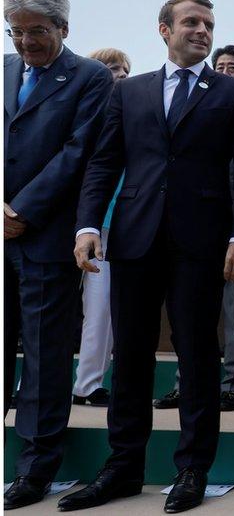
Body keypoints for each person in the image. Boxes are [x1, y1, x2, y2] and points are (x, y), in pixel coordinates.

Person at [63, 0, 234, 513]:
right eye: (191, 22)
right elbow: (103, 162)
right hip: (134, 238)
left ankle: (193, 468)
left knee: (198, 355)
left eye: (209, 24)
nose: (202, 31)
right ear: (163, 30)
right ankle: (123, 467)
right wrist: (88, 225)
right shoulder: (128, 92)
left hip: (202, 242)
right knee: (129, 355)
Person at [3, 0, 114, 510]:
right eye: (16, 32)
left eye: (37, 32)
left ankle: (36, 468)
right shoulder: (3, 71)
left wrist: (21, 210)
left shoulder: (90, 78)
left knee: (45, 356)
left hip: (44, 236)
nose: (25, 43)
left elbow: (78, 153)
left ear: (63, 29)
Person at [153, 44, 234, 412]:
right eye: (220, 66)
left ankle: (232, 384)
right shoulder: (186, 106)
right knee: (185, 315)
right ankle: (183, 385)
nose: (225, 71)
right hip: (190, 224)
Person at [71, 48, 131, 409]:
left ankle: (88, 385)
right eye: (112, 68)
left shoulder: (132, 114)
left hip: (115, 226)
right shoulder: (85, 114)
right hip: (76, 223)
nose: (121, 73)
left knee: (102, 308)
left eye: (125, 68)